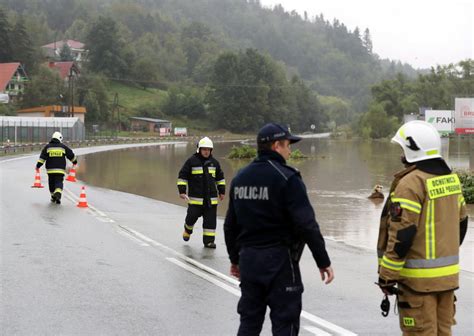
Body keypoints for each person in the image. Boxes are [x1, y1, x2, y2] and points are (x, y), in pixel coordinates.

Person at [224, 123, 334, 335]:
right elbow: (307, 225)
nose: (290, 150)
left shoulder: (239, 178)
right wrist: (323, 261)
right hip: (280, 262)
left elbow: (230, 225)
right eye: (287, 145)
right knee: (285, 322)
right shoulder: (288, 178)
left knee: (249, 322)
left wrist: (235, 259)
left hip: (248, 260)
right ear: (276, 146)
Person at [376, 120, 468, 335]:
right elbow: (462, 224)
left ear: (412, 148)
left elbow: (402, 235)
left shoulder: (410, 184)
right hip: (447, 281)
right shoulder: (451, 180)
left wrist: (387, 276)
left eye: (402, 148)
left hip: (417, 284)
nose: (400, 154)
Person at [177, 136, 225, 248]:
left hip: (211, 201)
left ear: (211, 150)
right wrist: (182, 191)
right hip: (195, 201)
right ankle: (187, 230)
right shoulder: (191, 161)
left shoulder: (215, 163)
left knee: (210, 222)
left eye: (208, 150)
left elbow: (220, 178)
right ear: (199, 149)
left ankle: (209, 241)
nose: (206, 152)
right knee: (191, 218)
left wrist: (222, 191)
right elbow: (182, 176)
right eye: (204, 149)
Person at [36, 131, 78, 204]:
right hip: (60, 170)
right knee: (59, 182)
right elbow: (70, 154)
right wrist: (74, 162)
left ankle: (53, 196)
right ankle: (58, 193)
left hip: (50, 170)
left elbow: (42, 158)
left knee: (51, 183)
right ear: (60, 138)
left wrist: (38, 166)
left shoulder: (47, 147)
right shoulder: (63, 147)